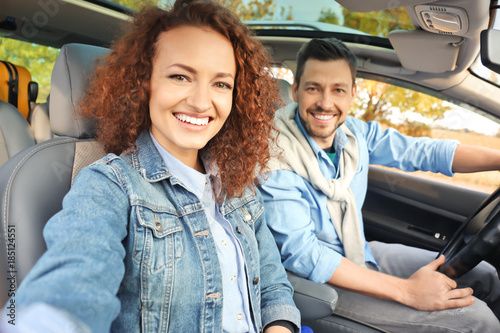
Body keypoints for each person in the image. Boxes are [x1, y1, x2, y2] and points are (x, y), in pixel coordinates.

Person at [0, 1, 301, 332]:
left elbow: (272, 286)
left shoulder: (237, 182)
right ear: (144, 83)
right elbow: (74, 283)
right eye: (180, 76)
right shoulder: (109, 186)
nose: (202, 102)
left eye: (221, 84)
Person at [260, 37, 500, 332]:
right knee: (478, 320)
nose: (325, 102)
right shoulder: (273, 155)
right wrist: (407, 291)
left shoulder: (354, 133)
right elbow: (304, 252)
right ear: (296, 90)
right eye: (313, 88)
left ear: (352, 94)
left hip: (359, 251)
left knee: (484, 275)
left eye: (338, 90)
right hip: (318, 279)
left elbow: (423, 152)